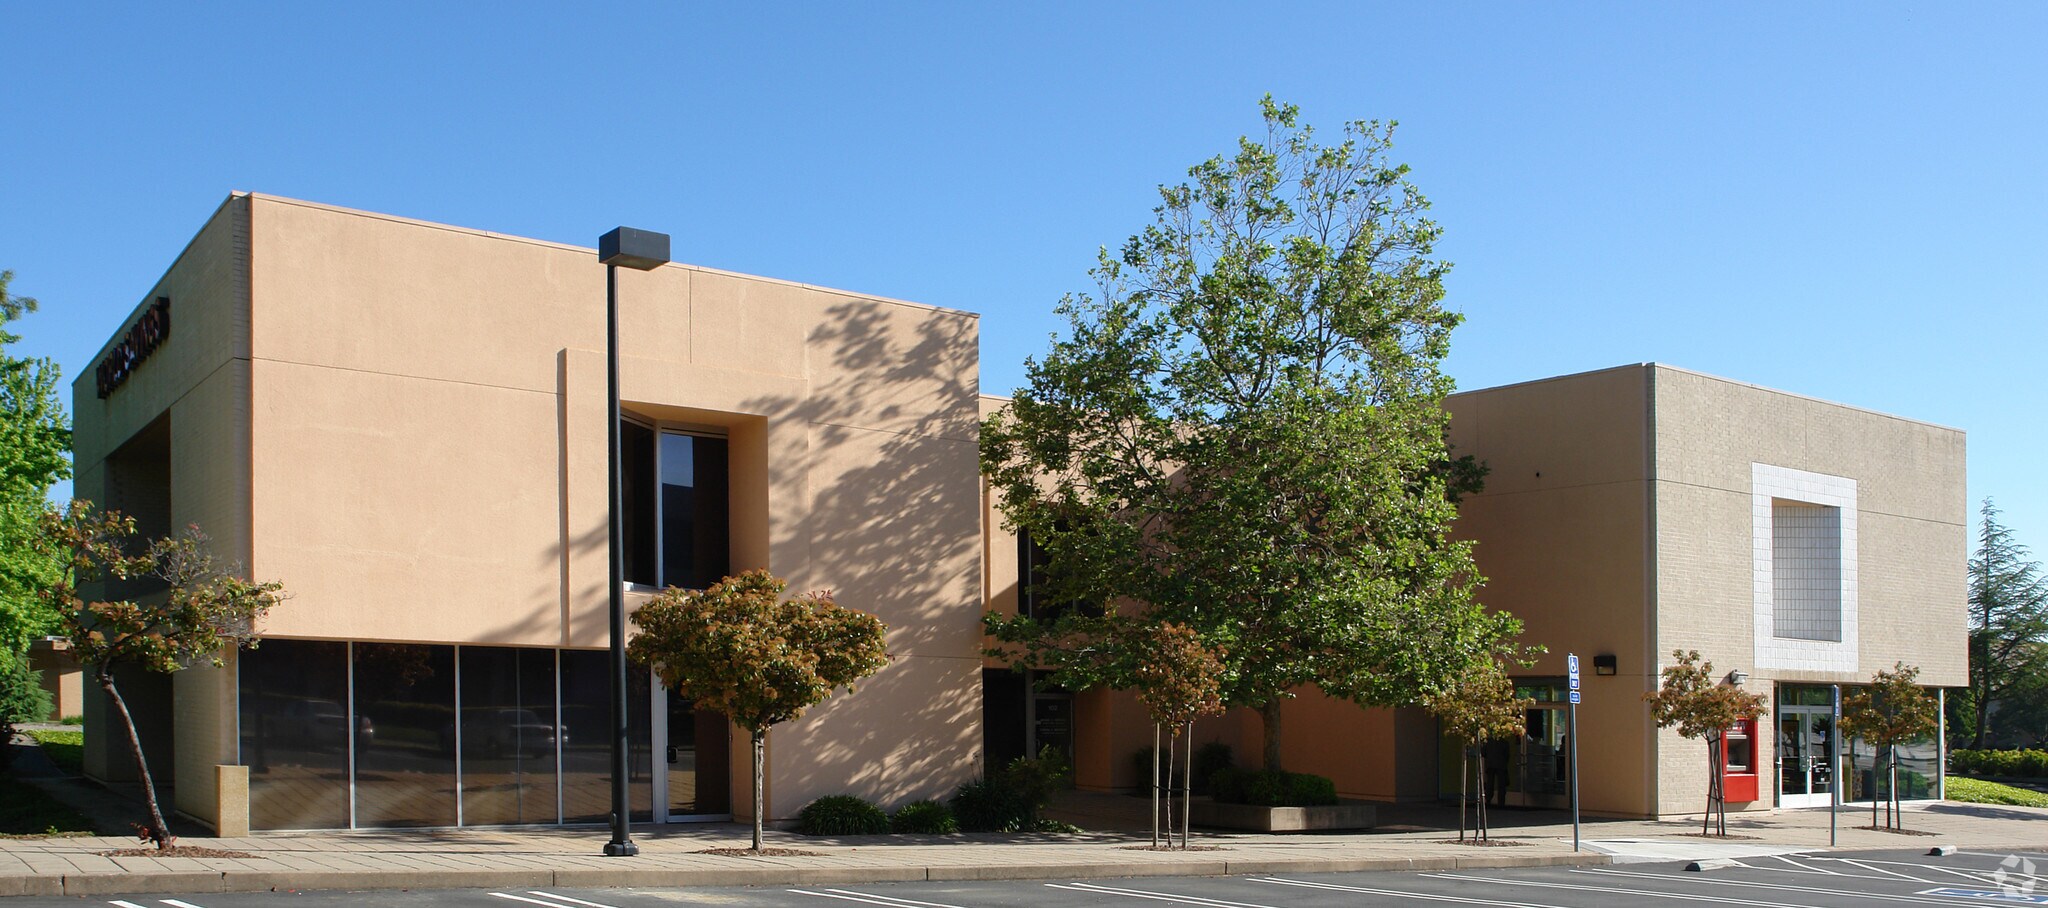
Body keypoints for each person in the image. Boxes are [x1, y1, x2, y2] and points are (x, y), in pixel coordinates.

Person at [1482, 736, 1510, 807]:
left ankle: (1488, 799)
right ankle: (1501, 801)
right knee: (1501, 784)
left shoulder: (1488, 742)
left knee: (1490, 783)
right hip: (1501, 765)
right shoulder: (1504, 742)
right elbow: (1507, 755)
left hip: (1490, 764)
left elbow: (1483, 752)